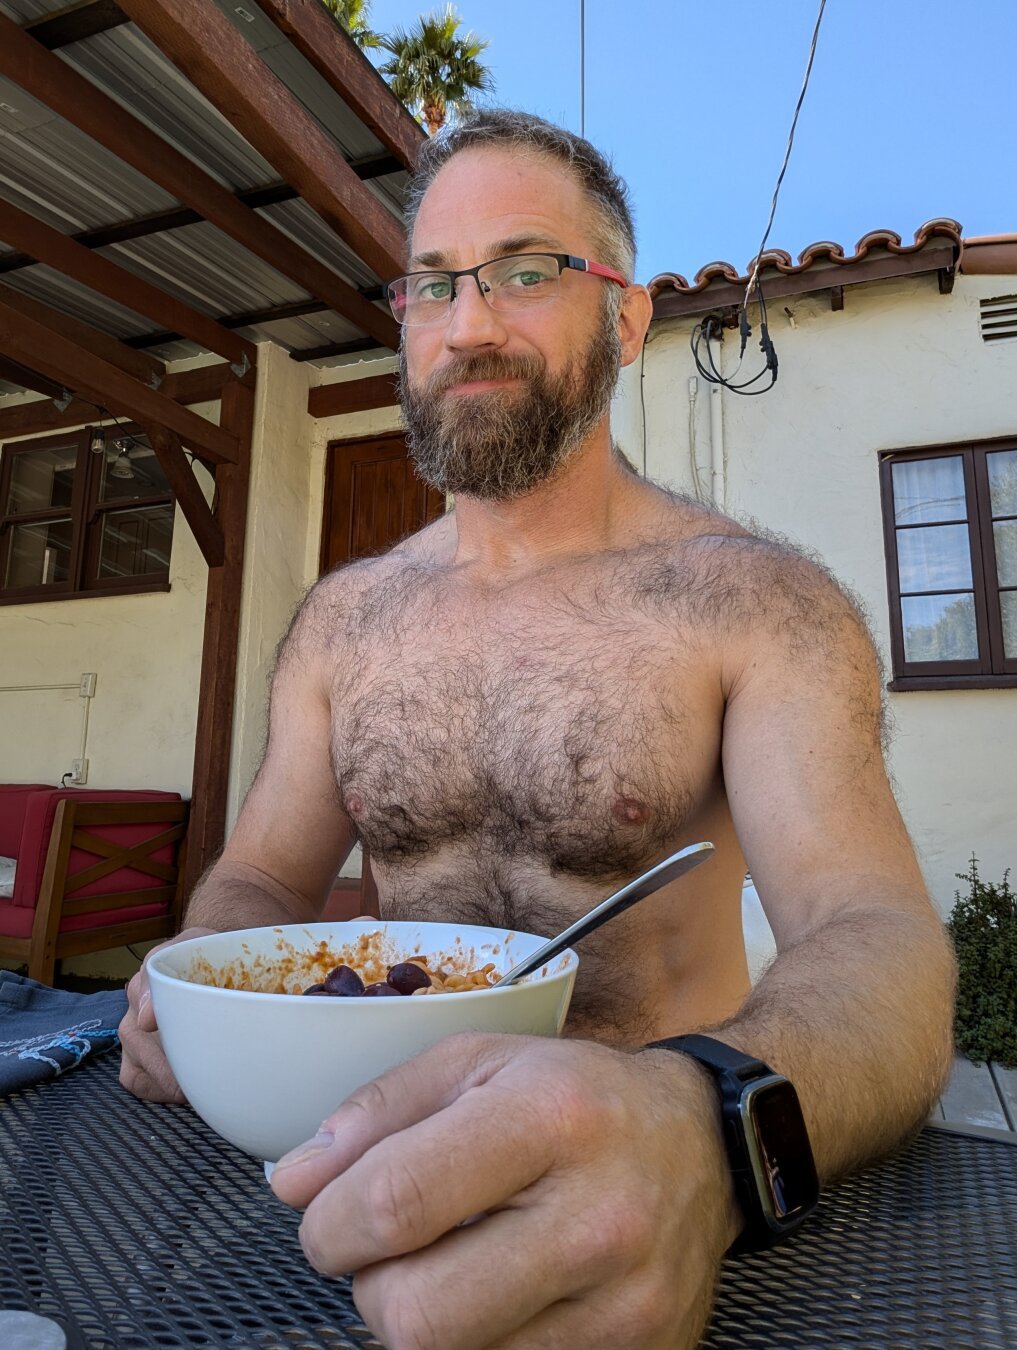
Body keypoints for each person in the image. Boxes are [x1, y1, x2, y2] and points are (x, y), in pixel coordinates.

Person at [119, 109, 955, 1349]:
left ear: (625, 315)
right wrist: (203, 989)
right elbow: (254, 879)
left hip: (653, 1227)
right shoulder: (342, 624)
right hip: (346, 1188)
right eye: (435, 286)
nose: (469, 324)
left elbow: (878, 941)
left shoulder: (752, 602)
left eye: (526, 271)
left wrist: (702, 1124)